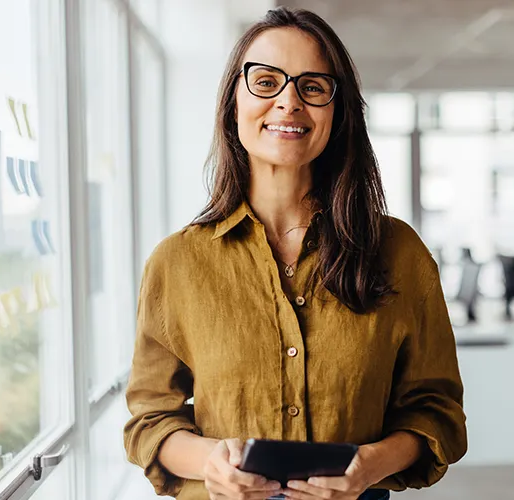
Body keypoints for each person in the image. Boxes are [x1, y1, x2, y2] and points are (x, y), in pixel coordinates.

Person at [123, 7, 467, 500]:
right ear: (233, 103)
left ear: (338, 109)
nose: (288, 103)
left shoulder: (398, 252)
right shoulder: (176, 263)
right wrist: (211, 464)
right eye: (265, 81)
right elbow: (151, 420)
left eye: (312, 86)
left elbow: (437, 411)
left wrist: (368, 465)